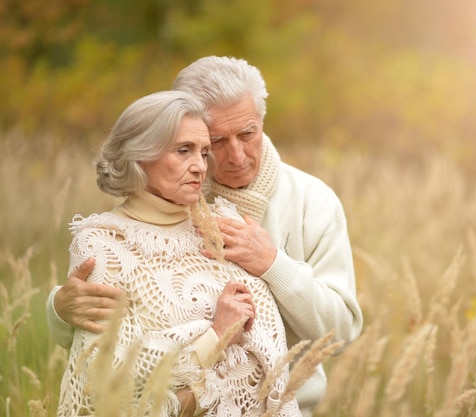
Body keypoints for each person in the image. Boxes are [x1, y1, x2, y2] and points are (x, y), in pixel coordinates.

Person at [48, 56, 363, 416]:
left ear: (262, 121)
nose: (235, 155)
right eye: (216, 142)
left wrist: (273, 264)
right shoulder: (169, 189)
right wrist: (59, 310)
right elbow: (102, 344)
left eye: (248, 134)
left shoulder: (312, 200)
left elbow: (340, 334)